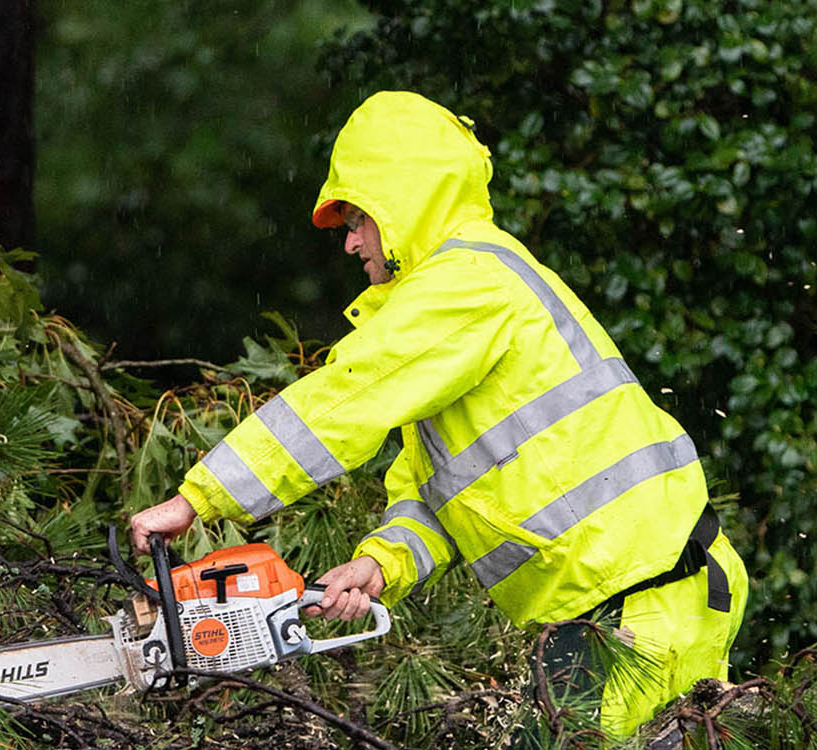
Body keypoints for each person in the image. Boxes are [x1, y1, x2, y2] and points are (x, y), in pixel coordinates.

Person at [125, 91, 746, 740]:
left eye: (356, 219)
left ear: (403, 200)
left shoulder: (468, 282)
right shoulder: (450, 299)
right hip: (617, 603)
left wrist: (199, 498)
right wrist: (381, 563)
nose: (349, 243)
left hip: (645, 600)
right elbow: (439, 496)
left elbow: (344, 401)